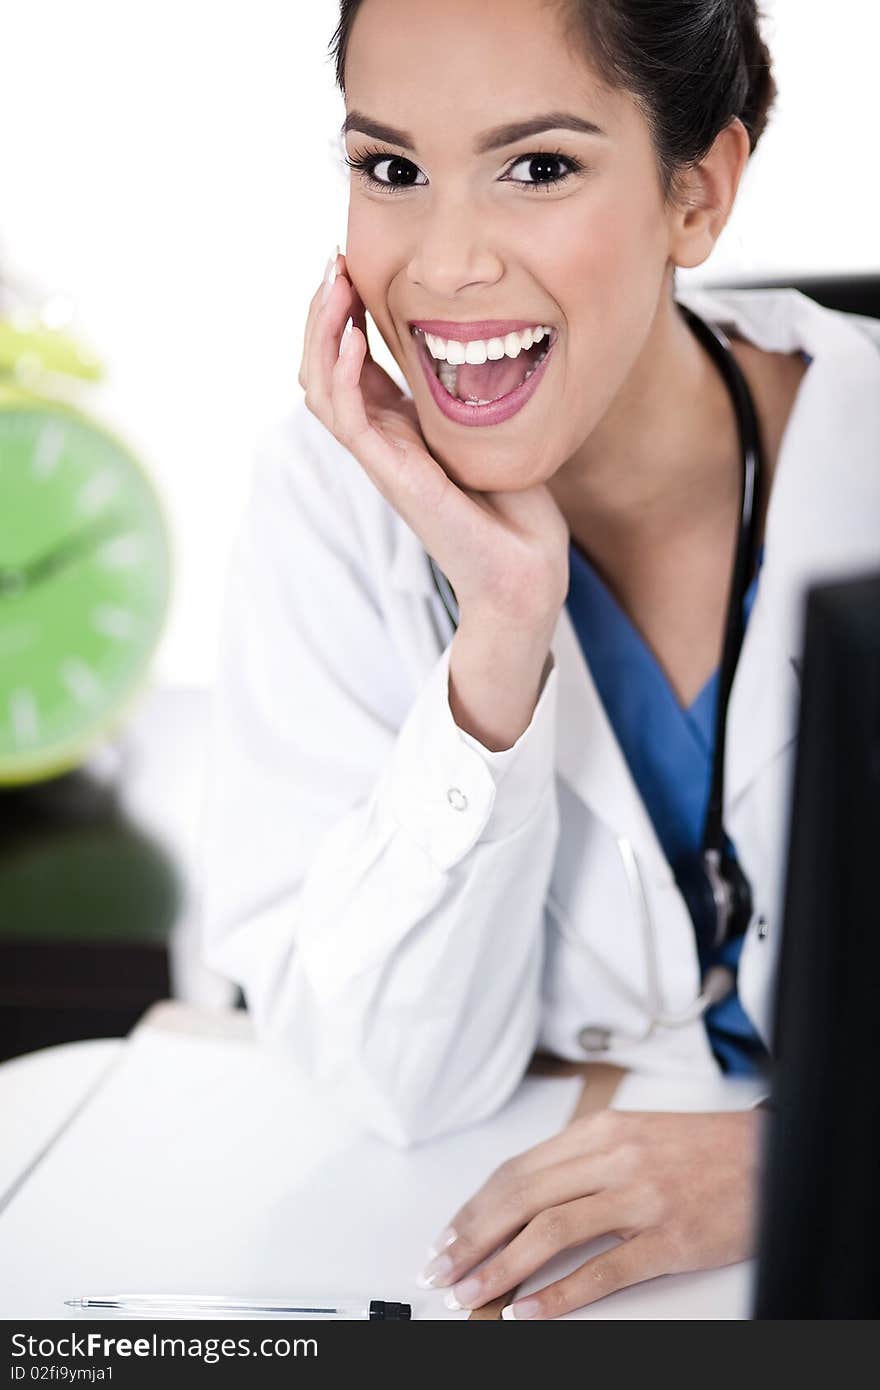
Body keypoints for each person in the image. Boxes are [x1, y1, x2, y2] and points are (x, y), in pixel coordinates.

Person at [199, 0, 880, 1316]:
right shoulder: (327, 499)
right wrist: (502, 626)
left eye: (540, 167)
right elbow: (400, 1078)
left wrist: (782, 1164)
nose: (446, 266)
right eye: (390, 169)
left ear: (700, 194)